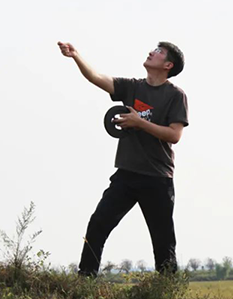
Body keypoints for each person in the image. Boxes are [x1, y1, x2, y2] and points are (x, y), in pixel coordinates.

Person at [57, 40, 189, 276]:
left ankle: (167, 292)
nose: (151, 52)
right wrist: (76, 56)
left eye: (158, 52)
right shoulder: (132, 87)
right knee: (98, 224)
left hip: (157, 178)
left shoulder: (175, 95)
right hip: (126, 174)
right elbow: (96, 78)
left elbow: (174, 135)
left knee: (163, 242)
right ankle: (85, 280)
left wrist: (139, 122)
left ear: (168, 65)